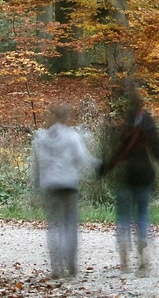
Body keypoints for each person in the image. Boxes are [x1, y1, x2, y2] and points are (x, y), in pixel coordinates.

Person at [99, 83, 159, 271]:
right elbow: (157, 149)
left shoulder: (126, 124)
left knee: (123, 217)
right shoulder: (147, 121)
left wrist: (104, 169)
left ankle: (124, 259)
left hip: (127, 175)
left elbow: (117, 150)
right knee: (142, 214)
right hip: (145, 174)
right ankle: (143, 246)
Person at [31, 102, 97, 279]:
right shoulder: (72, 136)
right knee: (70, 226)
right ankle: (71, 263)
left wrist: (35, 187)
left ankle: (56, 267)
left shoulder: (42, 138)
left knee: (54, 226)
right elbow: (83, 159)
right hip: (69, 185)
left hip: (50, 185)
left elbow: (36, 165)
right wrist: (95, 171)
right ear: (67, 116)